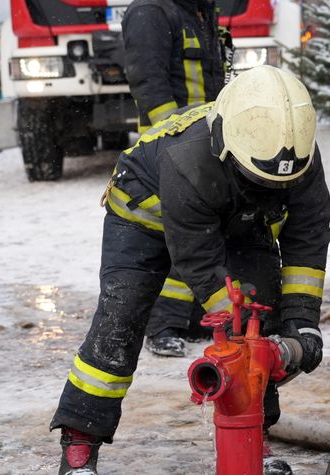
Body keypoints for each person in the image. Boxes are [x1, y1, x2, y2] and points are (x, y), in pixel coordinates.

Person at [51, 66, 330, 475]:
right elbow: (197, 259)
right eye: (260, 179)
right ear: (227, 147)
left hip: (237, 216)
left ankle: (255, 436)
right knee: (121, 320)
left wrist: (303, 324)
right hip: (143, 214)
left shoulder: (298, 156)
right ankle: (80, 441)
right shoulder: (190, 159)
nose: (272, 187)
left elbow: (307, 238)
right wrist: (236, 323)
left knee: (259, 314)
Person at [122, 0, 228, 356]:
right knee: (176, 235)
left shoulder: (199, 10)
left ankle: (194, 317)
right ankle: (164, 325)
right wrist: (176, 137)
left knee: (203, 231)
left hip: (206, 141)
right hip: (172, 147)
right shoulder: (151, 11)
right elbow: (148, 83)